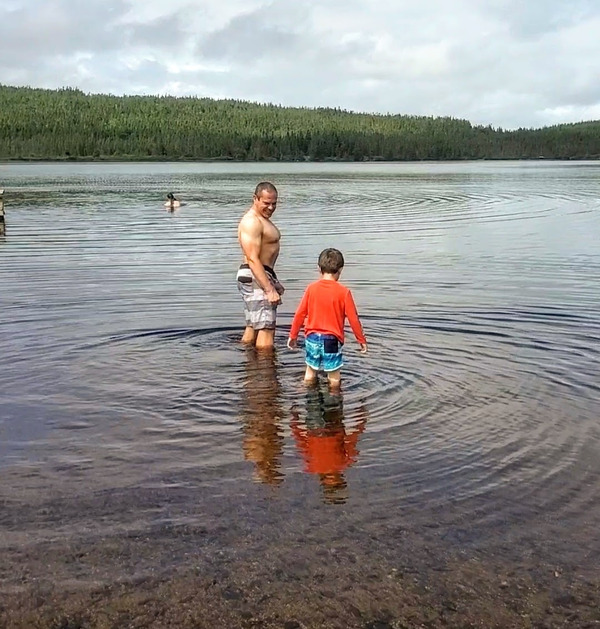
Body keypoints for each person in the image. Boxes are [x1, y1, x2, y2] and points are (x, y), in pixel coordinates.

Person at [287, 248, 367, 387]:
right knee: (334, 375)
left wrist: (293, 336)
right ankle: (334, 401)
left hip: (312, 337)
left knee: (310, 371)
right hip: (331, 339)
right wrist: (361, 340)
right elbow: (353, 319)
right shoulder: (344, 292)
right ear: (340, 270)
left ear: (319, 268)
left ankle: (307, 396)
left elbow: (300, 314)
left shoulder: (311, 289)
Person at [237, 182, 284, 350]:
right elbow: (252, 258)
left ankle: (248, 364)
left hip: (260, 274)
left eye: (274, 203)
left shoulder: (261, 220)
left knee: (253, 325)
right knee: (266, 328)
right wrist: (269, 289)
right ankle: (264, 373)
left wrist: (273, 281)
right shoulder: (252, 222)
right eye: (266, 203)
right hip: (255, 274)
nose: (271, 207)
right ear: (255, 199)